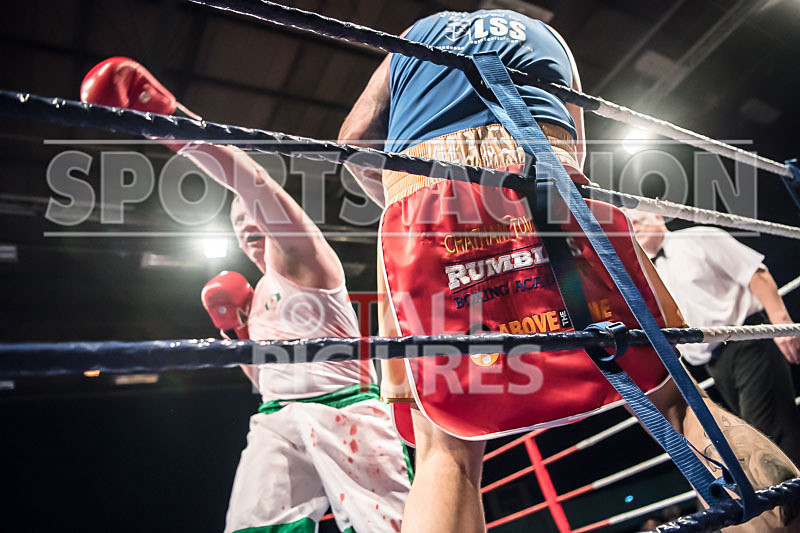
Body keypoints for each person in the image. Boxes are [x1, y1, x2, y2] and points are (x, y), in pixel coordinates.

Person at [339, 9, 799, 532]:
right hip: (548, 185)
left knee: (446, 450)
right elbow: (573, 139)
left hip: (429, 204)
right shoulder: (546, 33)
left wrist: (408, 206)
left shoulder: (414, 37)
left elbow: (355, 139)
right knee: (675, 400)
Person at [81, 57, 411, 533]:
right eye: (238, 228)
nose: (248, 230)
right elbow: (262, 378)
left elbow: (249, 181)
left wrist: (168, 120)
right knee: (250, 527)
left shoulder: (303, 258)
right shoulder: (251, 300)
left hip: (344, 407)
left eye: (253, 219)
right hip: (276, 417)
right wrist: (233, 329)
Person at [626, 211, 800, 464]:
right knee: (756, 435)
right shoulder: (647, 275)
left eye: (639, 219)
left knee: (769, 436)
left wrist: (782, 325)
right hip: (714, 365)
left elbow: (756, 273)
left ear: (659, 217)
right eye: (629, 225)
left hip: (747, 341)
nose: (635, 227)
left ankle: (785, 502)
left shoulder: (699, 238)